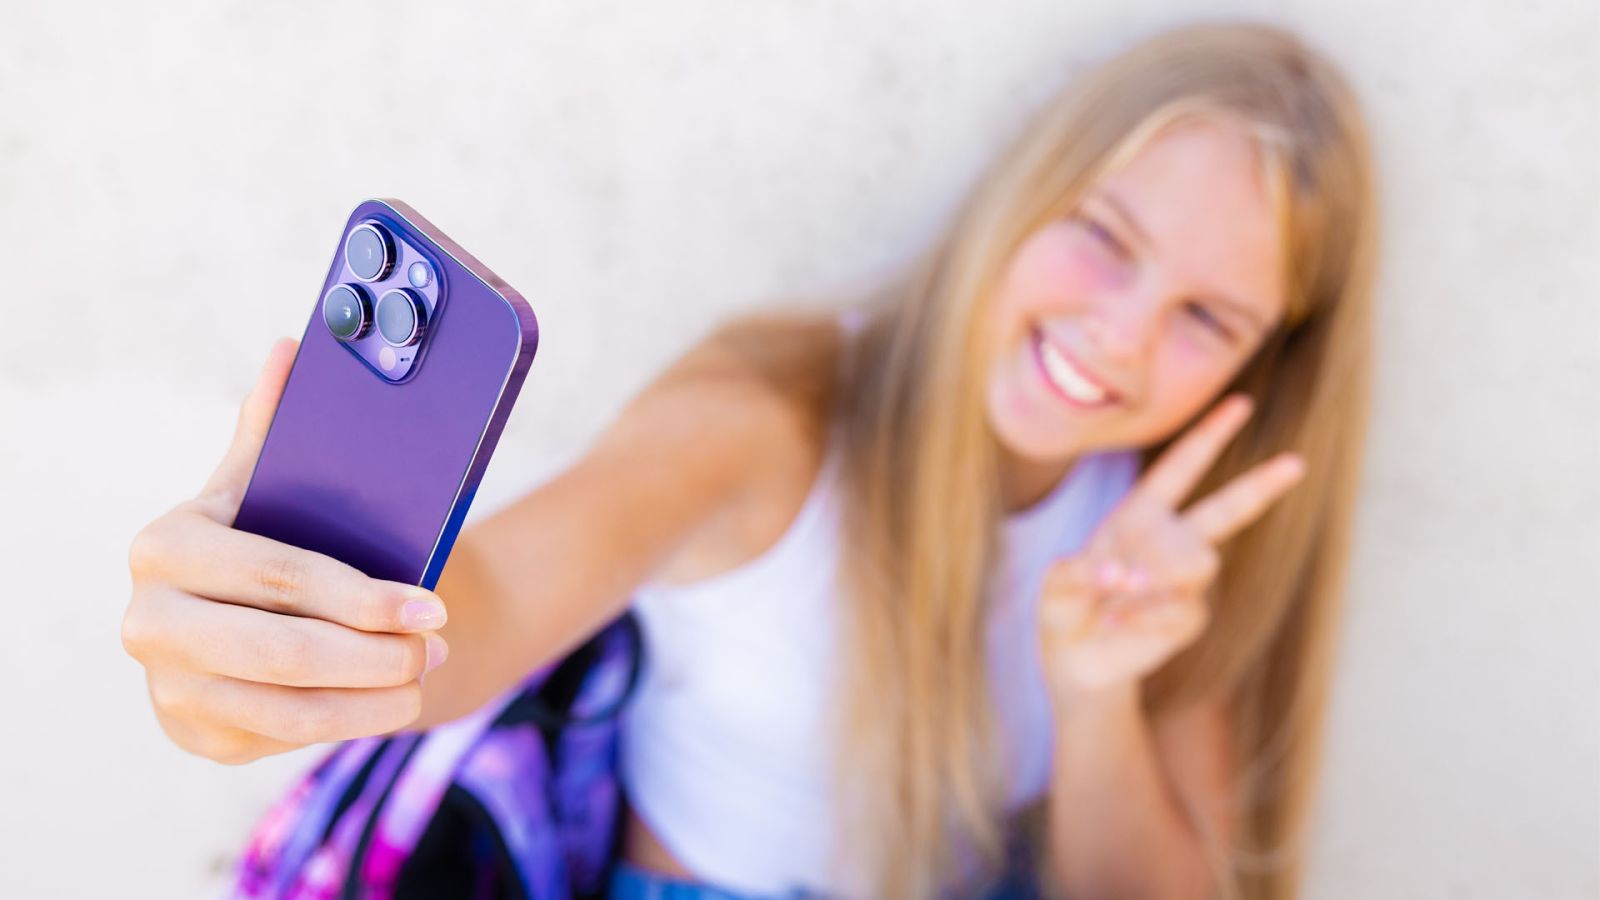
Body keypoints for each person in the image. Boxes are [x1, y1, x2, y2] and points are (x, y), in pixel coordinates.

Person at [121, 20, 1378, 900]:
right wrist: (270, 642)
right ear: (1027, 194)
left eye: (1208, 318)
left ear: (1261, 366)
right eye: (1104, 235)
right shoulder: (765, 425)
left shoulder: (1163, 524)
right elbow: (486, 603)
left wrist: (1098, 690)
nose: (1123, 334)